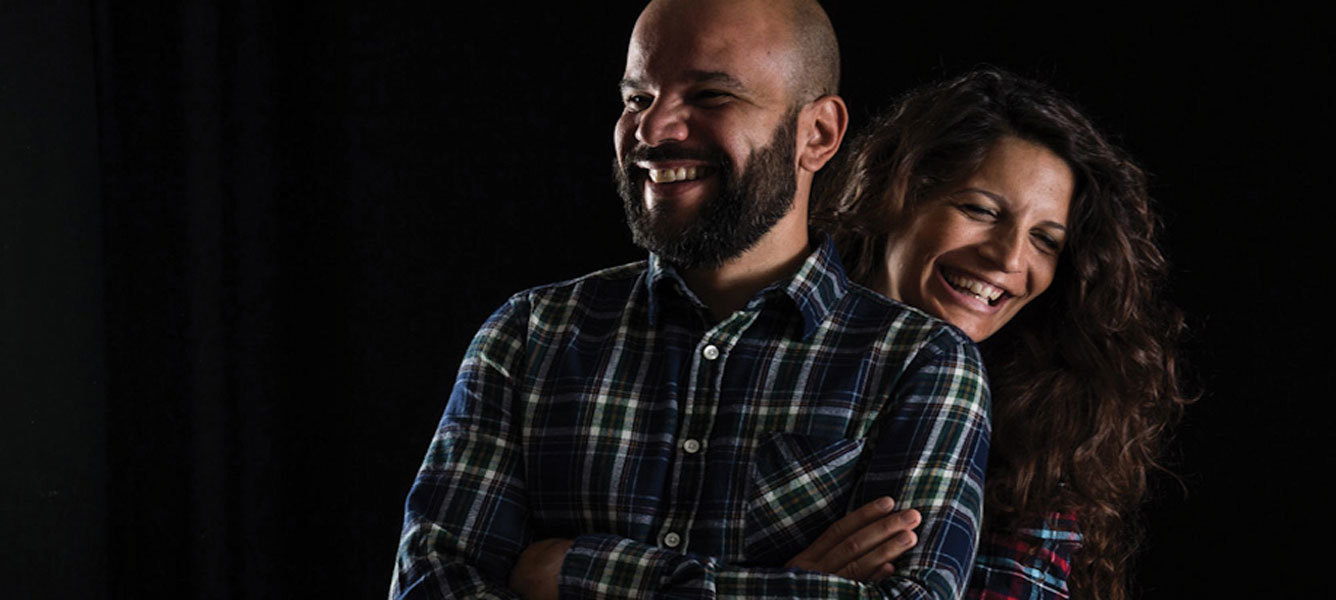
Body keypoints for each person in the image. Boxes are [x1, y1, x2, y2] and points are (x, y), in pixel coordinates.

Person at [389, 1, 991, 598]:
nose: (653, 130)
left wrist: (574, 572)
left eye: (710, 96)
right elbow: (432, 585)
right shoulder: (529, 335)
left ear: (818, 134)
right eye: (637, 98)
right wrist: (786, 589)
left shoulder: (921, 363)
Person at [806, 68, 1191, 599]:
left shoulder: (1042, 443)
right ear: (896, 192)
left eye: (1045, 240)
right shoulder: (759, 343)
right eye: (981, 211)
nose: (1009, 258)